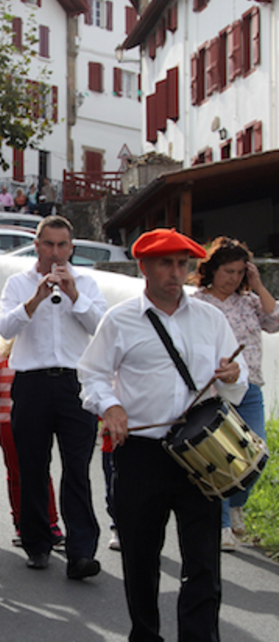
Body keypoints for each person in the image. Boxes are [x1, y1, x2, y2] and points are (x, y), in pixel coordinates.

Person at [78, 228, 247, 642]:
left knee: (204, 561)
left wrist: (232, 375)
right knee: (140, 557)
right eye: (165, 263)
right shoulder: (119, 320)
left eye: (182, 264)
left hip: (200, 453)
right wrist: (110, 406)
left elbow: (234, 387)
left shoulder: (211, 319)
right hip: (141, 453)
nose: (175, 272)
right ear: (144, 267)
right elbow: (92, 375)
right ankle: (146, 635)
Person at [0, 215, 107, 577]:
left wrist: (73, 294)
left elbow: (101, 329)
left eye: (62, 245)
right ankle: (37, 543)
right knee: (32, 466)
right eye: (49, 244)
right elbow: (4, 327)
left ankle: (81, 552)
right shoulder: (18, 282)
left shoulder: (87, 282)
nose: (55, 253)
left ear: (71, 248)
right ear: (37, 245)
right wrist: (35, 299)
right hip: (31, 382)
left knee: (77, 469)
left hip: (75, 383)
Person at [189, 236, 278, 550]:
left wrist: (257, 284)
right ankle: (223, 525)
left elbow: (275, 321)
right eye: (229, 271)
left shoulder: (250, 301)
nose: (234, 278)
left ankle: (237, 504)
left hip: (250, 385)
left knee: (258, 452)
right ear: (212, 270)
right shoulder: (198, 302)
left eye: (240, 272)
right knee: (220, 456)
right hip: (215, 389)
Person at [0, 337, 64, 549]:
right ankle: (22, 521)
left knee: (39, 470)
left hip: (35, 420)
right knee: (17, 473)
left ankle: (50, 520)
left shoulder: (41, 357)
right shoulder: (2, 356)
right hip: (8, 420)